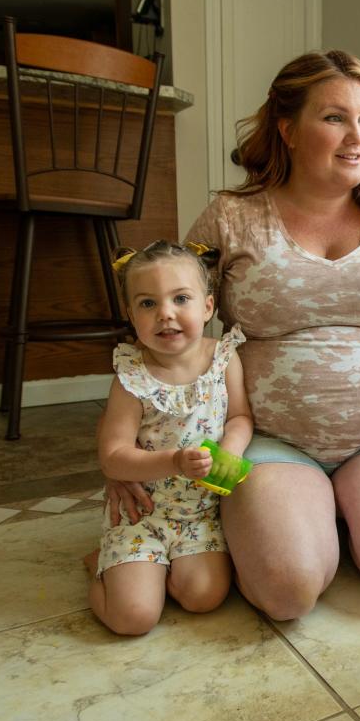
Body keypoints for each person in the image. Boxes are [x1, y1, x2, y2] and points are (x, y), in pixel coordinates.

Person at [105, 51, 360, 621]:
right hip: (266, 439)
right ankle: (305, 516)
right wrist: (125, 459)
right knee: (287, 594)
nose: (356, 136)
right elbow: (166, 325)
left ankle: (344, 509)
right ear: (288, 129)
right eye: (334, 118)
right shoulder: (231, 217)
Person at [86, 240, 253, 635]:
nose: (165, 314)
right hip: (142, 514)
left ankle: (156, 571)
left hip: (200, 513)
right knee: (133, 619)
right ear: (130, 315)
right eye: (147, 304)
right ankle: (102, 566)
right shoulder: (132, 376)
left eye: (181, 298)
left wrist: (230, 449)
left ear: (208, 307)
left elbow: (241, 416)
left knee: (205, 597)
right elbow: (112, 456)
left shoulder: (223, 358)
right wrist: (174, 461)